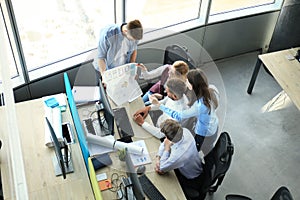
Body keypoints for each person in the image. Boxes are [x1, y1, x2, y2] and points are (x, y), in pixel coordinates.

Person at [152, 68, 219, 155]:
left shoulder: (198, 106)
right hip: (214, 126)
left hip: (204, 135)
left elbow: (178, 115)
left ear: (193, 85)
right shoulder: (213, 89)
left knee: (196, 151)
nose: (185, 82)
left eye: (187, 81)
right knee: (209, 148)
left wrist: (159, 105)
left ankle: (209, 165)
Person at [155, 119, 203, 194]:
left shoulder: (178, 156)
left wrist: (167, 149)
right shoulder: (185, 131)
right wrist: (158, 156)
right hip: (196, 165)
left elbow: (161, 168)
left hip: (190, 177)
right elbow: (165, 142)